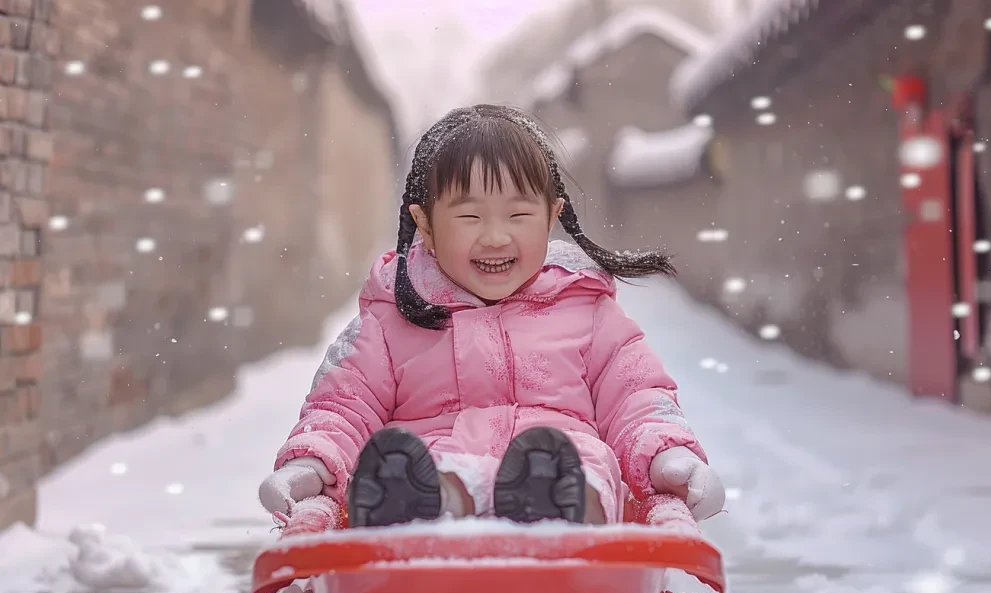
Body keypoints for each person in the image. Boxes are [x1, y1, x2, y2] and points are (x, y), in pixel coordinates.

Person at [258, 104, 724, 528]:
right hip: (437, 473)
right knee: (409, 464)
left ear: (551, 216)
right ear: (426, 225)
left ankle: (553, 507)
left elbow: (637, 398)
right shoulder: (391, 322)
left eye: (519, 214)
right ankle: (415, 509)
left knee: (574, 463)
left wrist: (668, 455)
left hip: (565, 473)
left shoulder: (587, 312)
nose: (497, 237)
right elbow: (343, 408)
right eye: (470, 218)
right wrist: (313, 462)